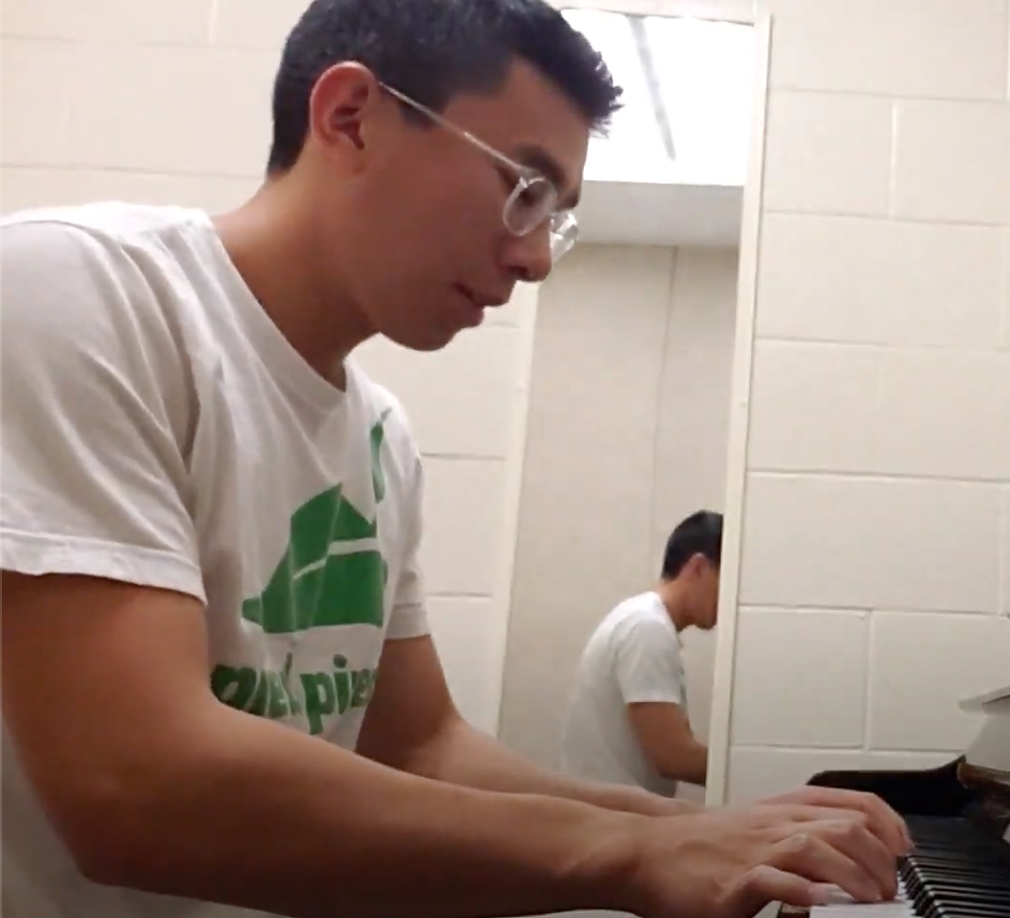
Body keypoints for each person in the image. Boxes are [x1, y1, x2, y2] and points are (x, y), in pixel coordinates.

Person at [0, 1, 913, 916]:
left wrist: (684, 826)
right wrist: (630, 851)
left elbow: (421, 745)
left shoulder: (382, 437)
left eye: (556, 218)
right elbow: (133, 783)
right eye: (525, 187)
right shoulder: (80, 292)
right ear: (350, 118)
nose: (538, 261)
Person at [562, 510, 723, 795]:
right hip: (611, 813)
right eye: (727, 583)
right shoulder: (647, 627)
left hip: (609, 809)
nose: (730, 600)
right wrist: (746, 767)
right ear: (698, 567)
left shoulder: (644, 621)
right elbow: (674, 756)